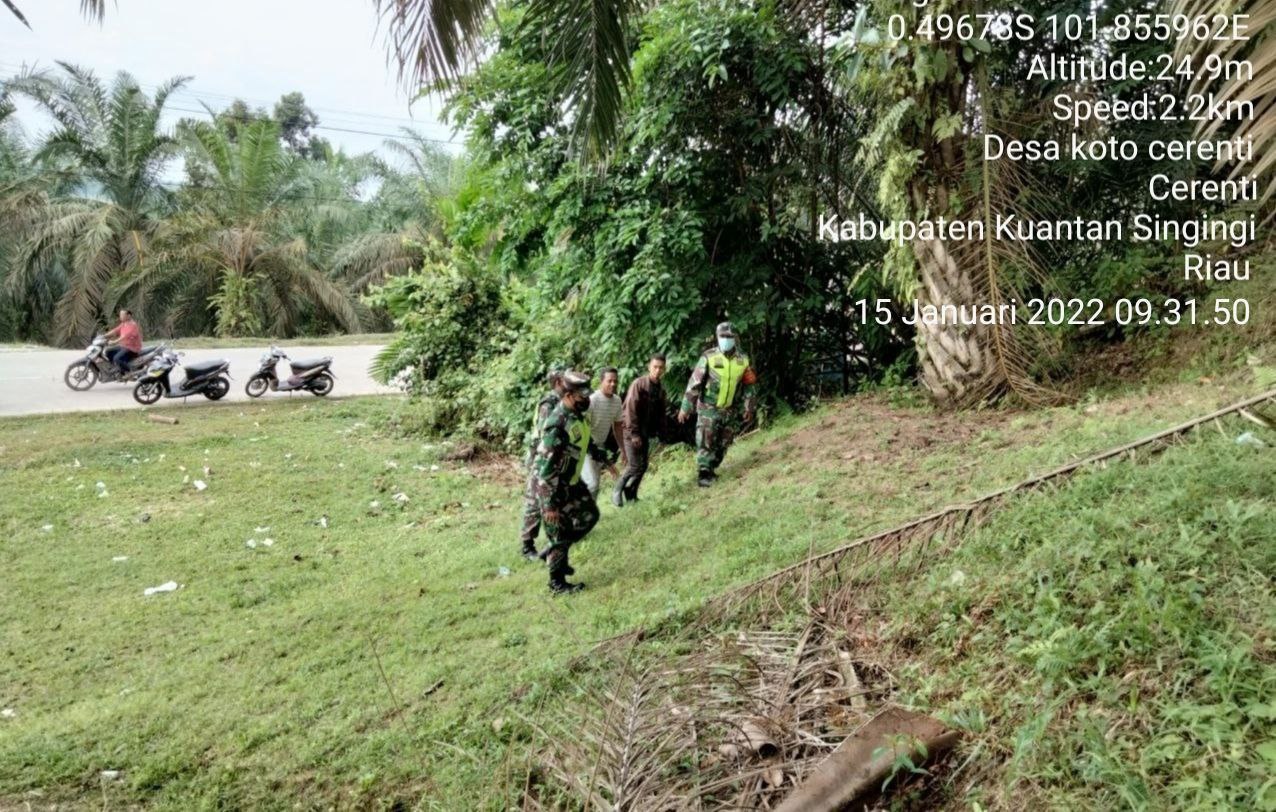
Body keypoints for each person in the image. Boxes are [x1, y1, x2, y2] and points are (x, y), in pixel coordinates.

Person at [533, 371, 614, 594]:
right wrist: (549, 504)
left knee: (590, 515)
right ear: (568, 395)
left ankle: (553, 551)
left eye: (587, 395)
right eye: (581, 396)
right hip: (553, 487)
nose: (586, 400)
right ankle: (557, 583)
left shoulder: (577, 416)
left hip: (571, 482)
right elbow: (545, 469)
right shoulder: (556, 425)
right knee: (559, 531)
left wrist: (600, 455)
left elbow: (582, 440)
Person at [678, 322, 757, 487]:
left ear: (735, 338)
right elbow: (694, 384)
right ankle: (703, 475)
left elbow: (749, 386)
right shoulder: (709, 357)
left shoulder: (743, 360)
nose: (726, 340)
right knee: (705, 442)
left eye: (729, 337)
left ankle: (711, 470)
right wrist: (686, 407)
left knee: (723, 443)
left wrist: (749, 407)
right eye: (722, 336)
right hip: (708, 408)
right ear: (717, 337)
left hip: (729, 410)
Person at [519, 367, 566, 560]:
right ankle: (527, 545)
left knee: (551, 499)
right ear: (557, 383)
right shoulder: (549, 403)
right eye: (565, 381)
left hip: (552, 458)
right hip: (541, 459)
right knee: (534, 501)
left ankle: (555, 539)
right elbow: (545, 434)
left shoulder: (562, 401)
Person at [614, 353, 667, 506]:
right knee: (634, 465)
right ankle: (617, 490)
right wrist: (634, 434)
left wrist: (662, 434)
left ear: (664, 369)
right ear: (649, 367)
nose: (657, 370)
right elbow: (630, 410)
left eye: (661, 368)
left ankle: (631, 494)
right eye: (655, 367)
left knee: (643, 466)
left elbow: (661, 415)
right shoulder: (639, 384)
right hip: (630, 431)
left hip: (645, 433)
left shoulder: (661, 389)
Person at [581, 367, 625, 499]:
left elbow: (617, 426)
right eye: (609, 381)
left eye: (615, 381)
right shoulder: (592, 400)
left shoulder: (617, 401)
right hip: (585, 446)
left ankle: (588, 515)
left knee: (595, 486)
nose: (613, 384)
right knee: (592, 484)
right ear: (601, 382)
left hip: (599, 445)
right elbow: (583, 430)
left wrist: (623, 449)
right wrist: (607, 461)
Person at [103, 309, 142, 376]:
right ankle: (118, 368)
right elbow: (115, 330)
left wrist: (114, 342)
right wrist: (104, 336)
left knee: (117, 358)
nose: (120, 316)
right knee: (107, 351)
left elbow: (124, 336)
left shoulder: (132, 325)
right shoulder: (124, 324)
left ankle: (129, 372)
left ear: (128, 316)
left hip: (132, 348)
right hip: (124, 346)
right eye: (120, 315)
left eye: (122, 315)